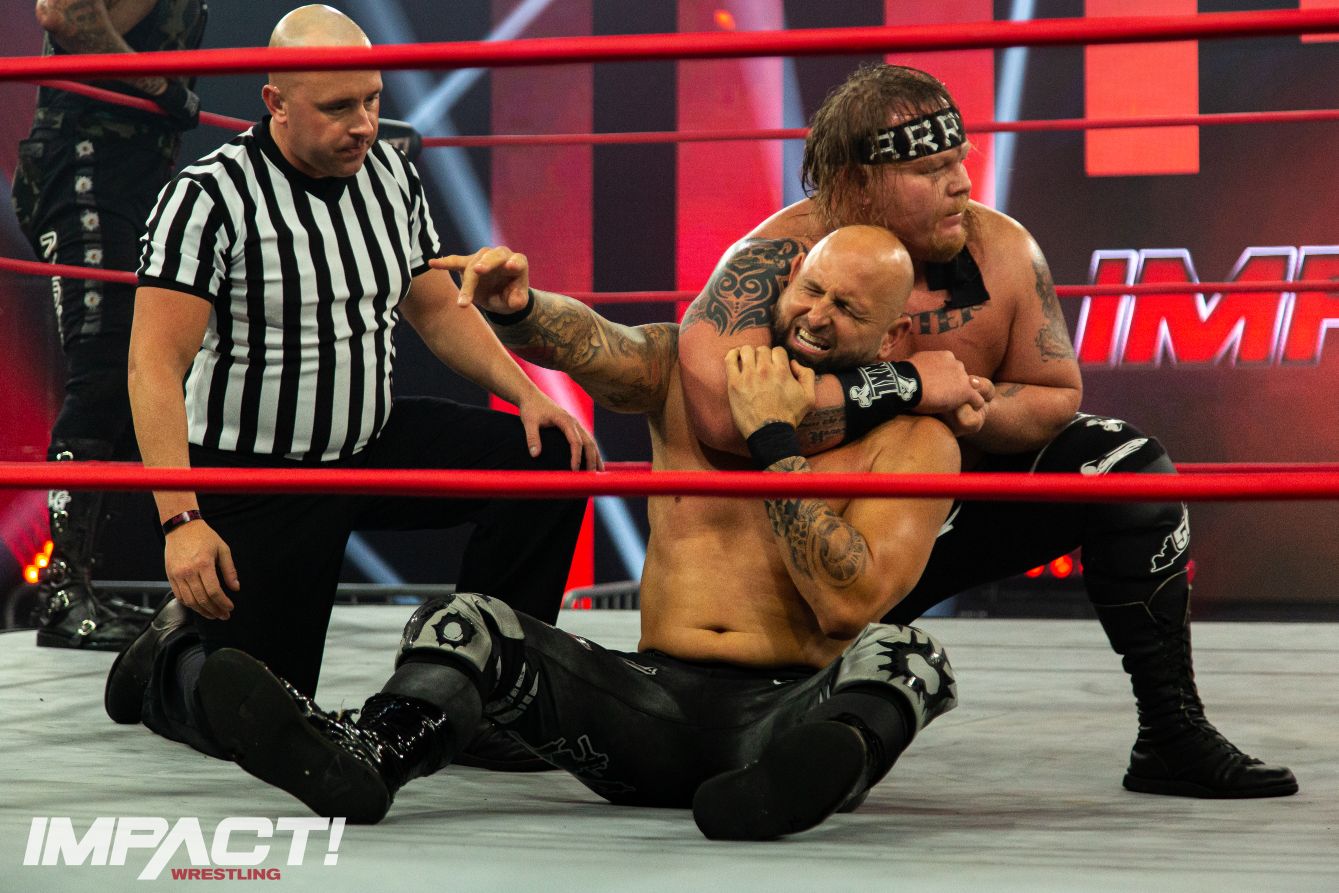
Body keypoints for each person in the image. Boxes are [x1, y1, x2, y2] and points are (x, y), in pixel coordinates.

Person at [186, 225, 965, 841]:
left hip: (784, 710)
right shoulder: (691, 375)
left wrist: (774, 440)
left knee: (909, 657)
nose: (817, 316)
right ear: (788, 279)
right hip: (644, 706)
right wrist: (519, 308)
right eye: (812, 290)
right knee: (465, 621)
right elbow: (599, 346)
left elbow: (846, 602)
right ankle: (371, 754)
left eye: (848, 309)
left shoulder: (916, 443)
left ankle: (794, 786)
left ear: (893, 336)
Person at [675, 63, 1296, 799]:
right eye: (929, 170)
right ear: (855, 184)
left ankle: (1173, 731)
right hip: (813, 544)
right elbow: (721, 417)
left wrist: (977, 405)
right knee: (741, 724)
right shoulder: (775, 262)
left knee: (1126, 464)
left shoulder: (1001, 250)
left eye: (958, 161)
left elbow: (1056, 392)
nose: (961, 184)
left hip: (944, 517)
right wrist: (906, 387)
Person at [101, 5, 593, 768]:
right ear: (275, 103)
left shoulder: (389, 173)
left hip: (369, 440)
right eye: (337, 107)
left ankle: (485, 694)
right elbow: (153, 366)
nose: (363, 125)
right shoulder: (209, 197)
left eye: (371, 100)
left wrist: (525, 390)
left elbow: (434, 305)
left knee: (548, 458)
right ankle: (164, 663)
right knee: (269, 706)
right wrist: (181, 520)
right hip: (258, 469)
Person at [12, 0, 207, 650]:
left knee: (136, 373)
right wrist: (165, 87)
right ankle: (62, 592)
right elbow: (63, 14)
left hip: (133, 173)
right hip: (84, 166)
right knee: (102, 370)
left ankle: (82, 584)